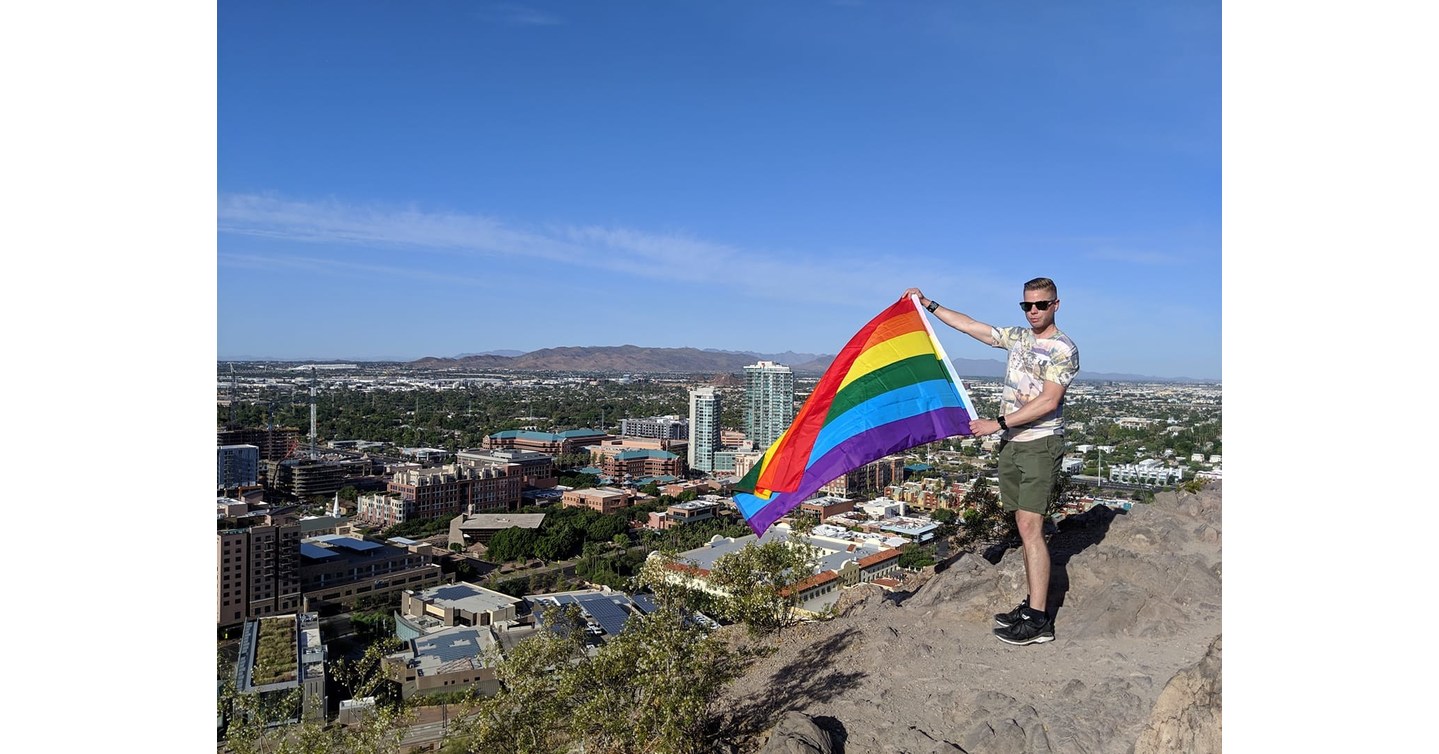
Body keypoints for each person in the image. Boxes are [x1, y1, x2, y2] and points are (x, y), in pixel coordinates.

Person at [903, 278, 1079, 645]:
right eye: (1027, 306)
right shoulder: (1019, 338)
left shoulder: (1064, 349)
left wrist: (995, 424)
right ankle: (1033, 605)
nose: (1033, 312)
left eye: (1041, 305)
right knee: (1023, 524)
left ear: (1056, 305)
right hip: (1013, 444)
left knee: (1031, 527)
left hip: (1039, 443)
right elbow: (971, 326)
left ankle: (1039, 620)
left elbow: (1048, 401)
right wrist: (929, 305)